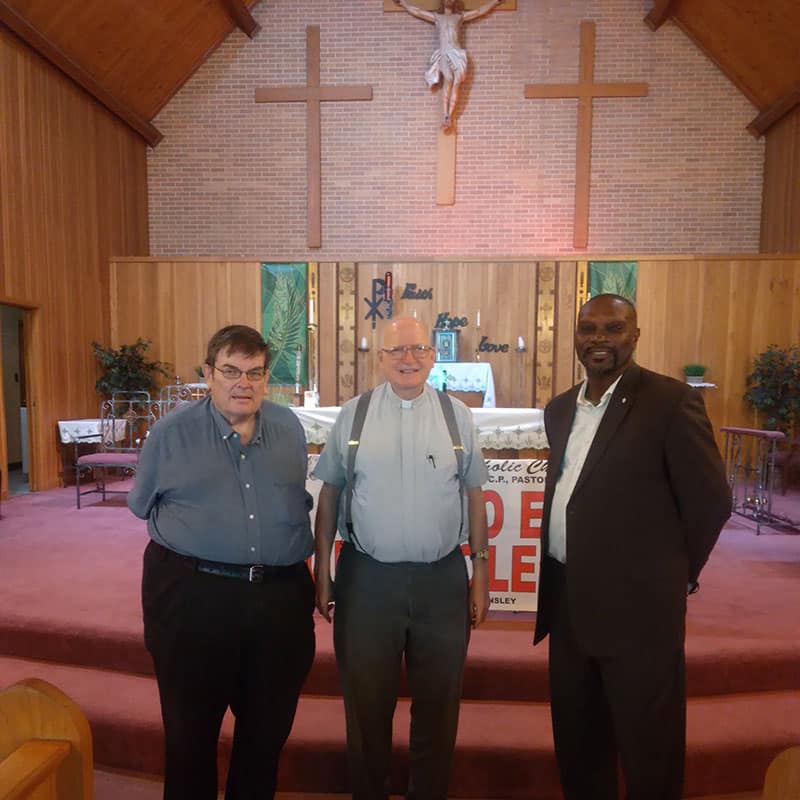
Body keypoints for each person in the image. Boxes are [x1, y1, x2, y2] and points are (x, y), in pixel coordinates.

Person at [534, 294, 732, 800]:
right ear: (575, 337)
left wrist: (673, 574)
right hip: (569, 610)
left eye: (613, 328)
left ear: (635, 335)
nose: (598, 339)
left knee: (650, 756)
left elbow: (710, 499)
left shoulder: (669, 402)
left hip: (640, 617)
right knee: (579, 751)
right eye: (588, 329)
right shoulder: (559, 410)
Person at [128, 325, 315, 800]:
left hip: (279, 601)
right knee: (190, 742)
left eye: (254, 372)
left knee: (265, 740)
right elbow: (141, 504)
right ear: (208, 373)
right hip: (194, 600)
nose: (243, 383)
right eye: (230, 370)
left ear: (266, 376)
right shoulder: (171, 433)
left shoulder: (289, 427)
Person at [313, 315, 489, 800]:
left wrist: (481, 575)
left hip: (442, 582)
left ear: (433, 355)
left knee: (438, 709)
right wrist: (322, 571)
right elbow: (330, 491)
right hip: (368, 582)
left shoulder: (458, 416)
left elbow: (474, 494)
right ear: (380, 358)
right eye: (396, 351)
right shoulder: (355, 415)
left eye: (418, 350)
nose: (408, 359)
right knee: (367, 710)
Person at [393, 0, 504, 131]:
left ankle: (449, 116)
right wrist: (403, 3)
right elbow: (418, 12)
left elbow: (478, 12)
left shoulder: (459, 17)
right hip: (445, 53)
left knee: (456, 84)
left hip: (457, 53)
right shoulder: (437, 17)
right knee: (449, 81)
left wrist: (495, 2)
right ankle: (446, 115)